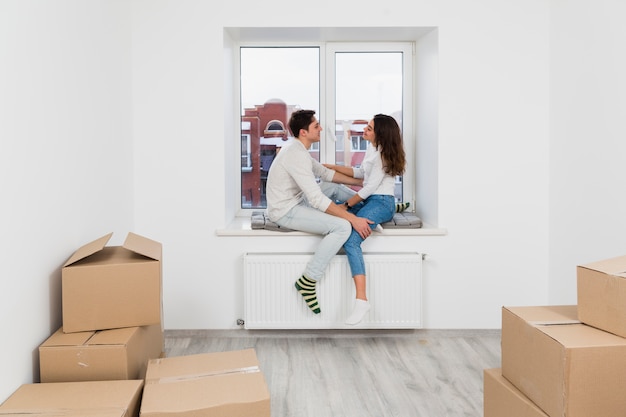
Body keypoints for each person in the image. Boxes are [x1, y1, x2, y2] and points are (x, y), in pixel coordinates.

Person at [266, 109, 374, 315]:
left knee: (330, 186)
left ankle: (372, 201)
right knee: (342, 227)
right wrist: (352, 219)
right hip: (285, 211)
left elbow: (325, 174)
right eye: (316, 126)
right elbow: (316, 199)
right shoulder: (295, 154)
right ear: (303, 132)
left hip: (297, 201)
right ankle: (309, 280)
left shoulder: (298, 150)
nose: (321, 128)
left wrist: (367, 184)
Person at [324, 114, 406, 325]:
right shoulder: (372, 150)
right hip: (370, 202)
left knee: (351, 240)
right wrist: (332, 167)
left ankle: (362, 300)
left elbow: (368, 187)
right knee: (335, 207)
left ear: (380, 133)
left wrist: (348, 205)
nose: (365, 130)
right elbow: (360, 173)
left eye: (369, 128)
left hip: (381, 203)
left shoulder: (382, 156)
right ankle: (372, 221)